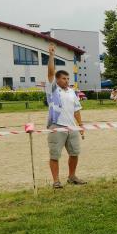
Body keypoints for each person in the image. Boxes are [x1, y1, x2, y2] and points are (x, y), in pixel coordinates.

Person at [44, 43, 86, 189]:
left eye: (68, 79)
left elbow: (76, 110)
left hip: (72, 127)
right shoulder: (53, 89)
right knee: (55, 155)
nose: (67, 81)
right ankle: (56, 181)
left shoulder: (71, 92)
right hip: (57, 126)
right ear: (57, 80)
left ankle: (72, 177)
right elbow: (50, 73)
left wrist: (80, 126)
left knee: (74, 153)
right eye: (63, 78)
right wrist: (51, 55)